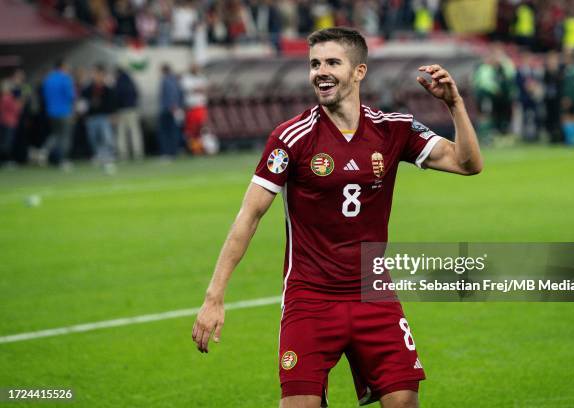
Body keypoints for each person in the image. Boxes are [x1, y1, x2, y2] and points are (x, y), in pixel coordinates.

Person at [192, 27, 482, 408]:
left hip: (373, 294)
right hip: (310, 299)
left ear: (359, 72)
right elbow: (250, 214)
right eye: (314, 64)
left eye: (332, 62)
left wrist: (454, 104)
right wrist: (214, 297)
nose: (320, 72)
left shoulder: (393, 128)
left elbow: (468, 164)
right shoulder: (291, 137)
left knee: (403, 400)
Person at [41, 59, 76, 168]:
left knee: (56, 135)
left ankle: (44, 151)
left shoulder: (48, 79)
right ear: (63, 67)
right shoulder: (65, 78)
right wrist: (73, 110)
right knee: (65, 136)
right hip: (64, 111)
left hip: (51, 112)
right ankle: (62, 160)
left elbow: (44, 96)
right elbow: (71, 96)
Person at [82, 64, 117, 168]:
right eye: (95, 74)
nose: (96, 76)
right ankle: (98, 155)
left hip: (104, 116)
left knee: (106, 138)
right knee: (93, 138)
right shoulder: (88, 89)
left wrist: (113, 114)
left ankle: (107, 156)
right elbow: (83, 103)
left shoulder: (108, 89)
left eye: (99, 74)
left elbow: (112, 103)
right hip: (91, 117)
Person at [114, 66, 144, 160]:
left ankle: (123, 154)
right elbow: (137, 94)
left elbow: (117, 96)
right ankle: (138, 153)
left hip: (122, 110)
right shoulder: (131, 82)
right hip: (133, 109)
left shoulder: (119, 82)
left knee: (121, 133)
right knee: (135, 132)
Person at [158, 63, 183, 159]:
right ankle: (174, 151)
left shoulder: (166, 80)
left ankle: (168, 153)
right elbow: (179, 93)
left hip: (167, 109)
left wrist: (172, 106)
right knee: (174, 131)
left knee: (166, 132)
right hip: (175, 109)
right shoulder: (175, 80)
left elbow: (170, 94)